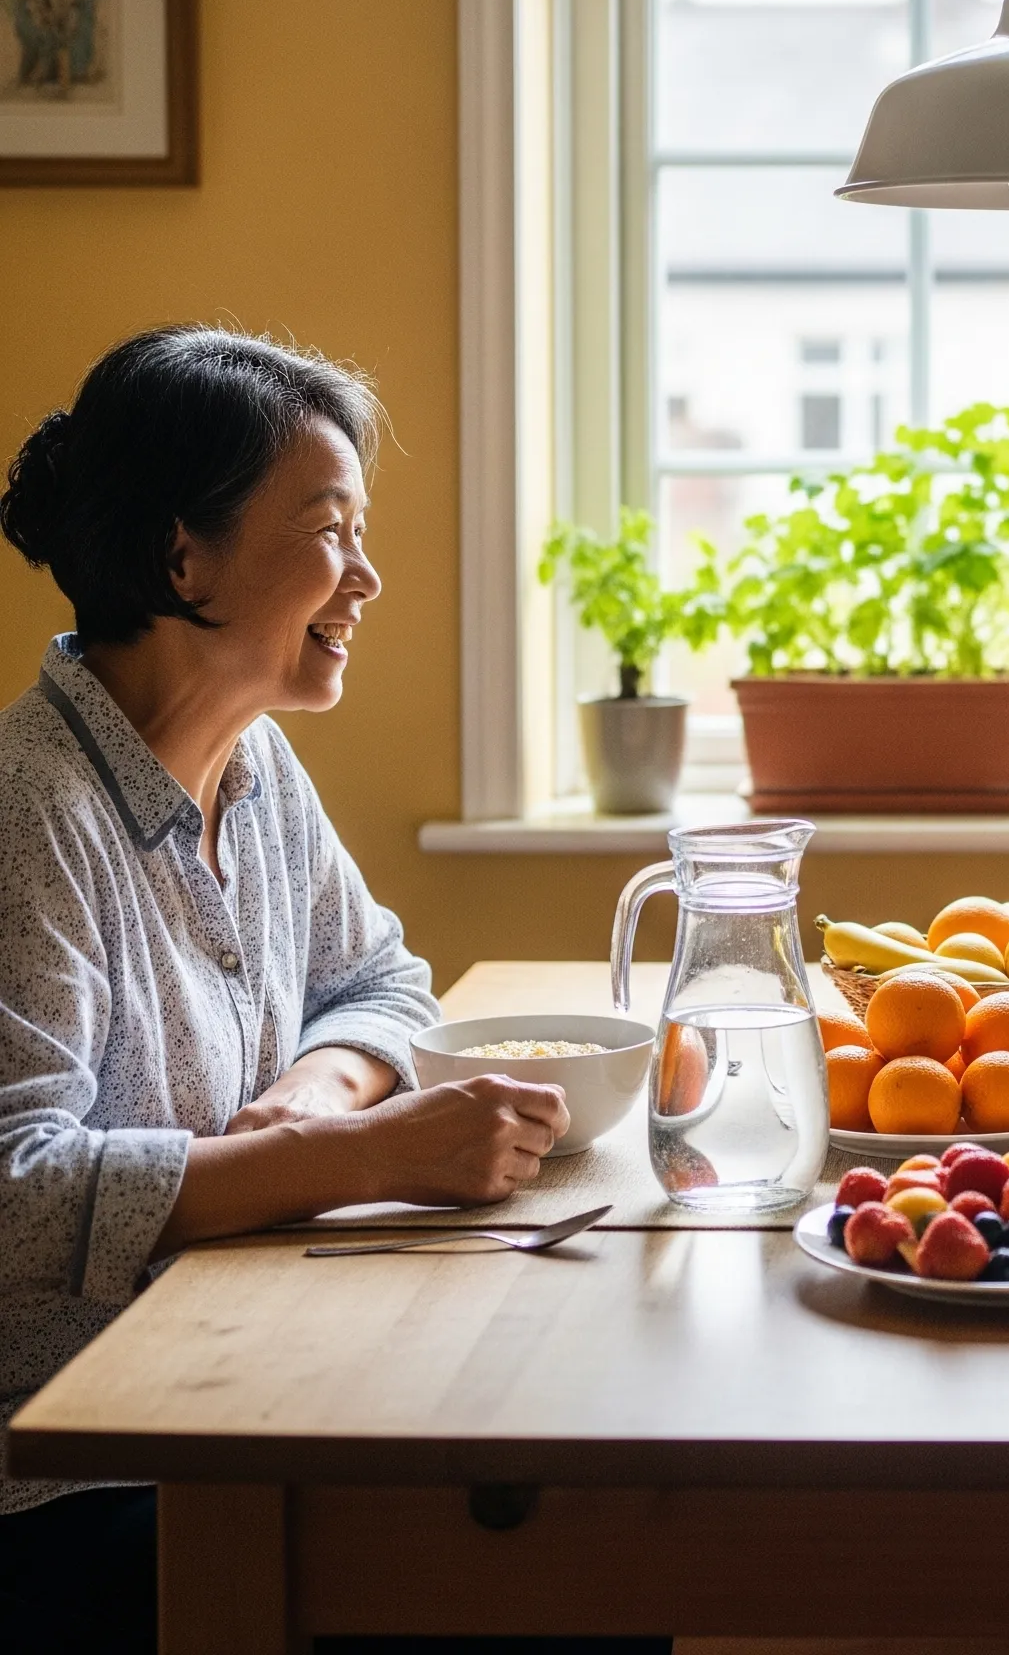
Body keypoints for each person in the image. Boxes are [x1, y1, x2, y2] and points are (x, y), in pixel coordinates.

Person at [0, 329, 663, 1655]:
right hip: (80, 1480)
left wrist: (321, 1090)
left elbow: (378, 976)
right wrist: (361, 1153)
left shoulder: (252, 766)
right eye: (329, 529)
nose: (366, 576)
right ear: (182, 557)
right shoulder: (32, 815)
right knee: (599, 1591)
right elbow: (14, 1201)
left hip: (248, 1388)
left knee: (609, 1518)